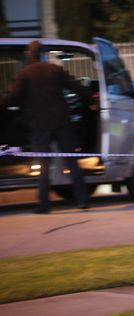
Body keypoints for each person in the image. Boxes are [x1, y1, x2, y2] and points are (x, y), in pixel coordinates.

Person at [0, 41, 90, 214]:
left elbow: (12, 98)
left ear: (28, 55)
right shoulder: (54, 69)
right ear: (41, 54)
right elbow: (76, 86)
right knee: (71, 161)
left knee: (43, 164)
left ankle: (44, 205)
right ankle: (83, 200)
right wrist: (91, 101)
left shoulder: (25, 74)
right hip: (62, 121)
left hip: (41, 125)